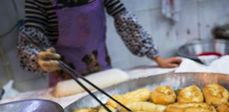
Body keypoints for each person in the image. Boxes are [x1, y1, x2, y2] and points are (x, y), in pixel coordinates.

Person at [17, 0, 182, 87]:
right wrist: (37, 58)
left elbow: (125, 21)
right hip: (65, 78)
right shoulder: (38, 1)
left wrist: (157, 58)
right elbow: (32, 35)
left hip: (102, 69)